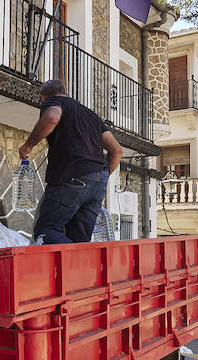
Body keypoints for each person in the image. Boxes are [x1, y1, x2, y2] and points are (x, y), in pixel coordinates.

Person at [19, 78, 122, 244]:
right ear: (65, 92)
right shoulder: (90, 115)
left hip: (71, 175)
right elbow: (117, 151)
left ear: (42, 97)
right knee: (80, 238)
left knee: (46, 230)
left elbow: (52, 117)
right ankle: (78, 268)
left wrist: (28, 145)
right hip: (99, 181)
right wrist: (99, 178)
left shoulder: (53, 102)